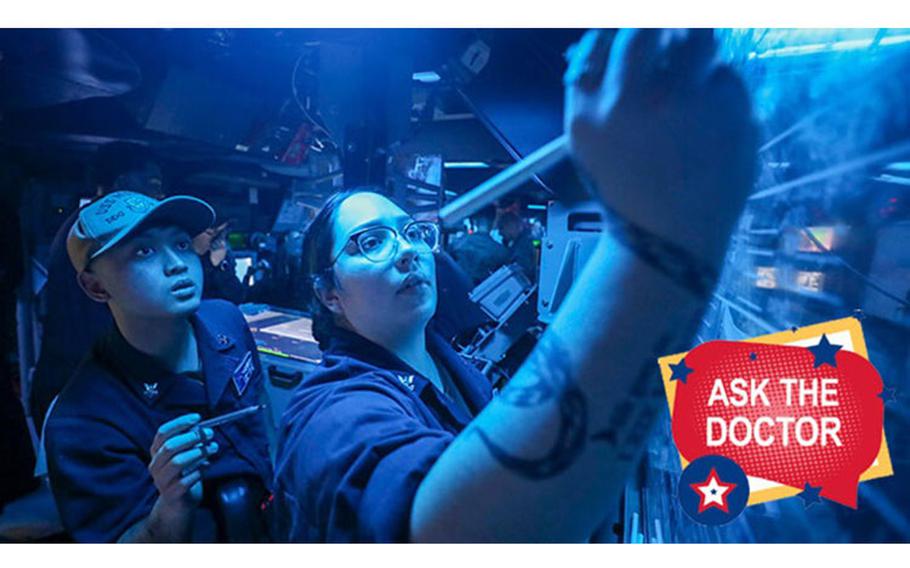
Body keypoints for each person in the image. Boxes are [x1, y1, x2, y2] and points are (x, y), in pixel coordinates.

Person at [274, 28, 756, 542]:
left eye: (412, 232)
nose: (408, 249)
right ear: (329, 293)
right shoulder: (331, 412)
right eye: (371, 241)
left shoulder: (447, 362)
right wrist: (655, 236)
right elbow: (457, 535)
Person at [44, 191, 274, 542]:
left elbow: (261, 421)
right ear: (95, 286)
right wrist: (171, 507)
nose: (178, 264)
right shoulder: (82, 420)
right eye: (144, 251)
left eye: (181, 244)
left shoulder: (226, 320)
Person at [30, 142, 165, 428]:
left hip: (77, 382)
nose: (160, 195)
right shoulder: (107, 236)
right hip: (82, 392)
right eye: (153, 184)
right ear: (123, 184)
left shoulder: (81, 226)